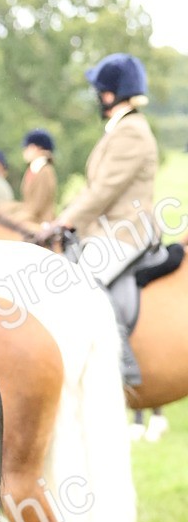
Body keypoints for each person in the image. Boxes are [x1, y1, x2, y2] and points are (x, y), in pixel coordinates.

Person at [39, 53, 159, 386]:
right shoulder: (119, 130)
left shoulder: (131, 133)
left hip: (124, 232)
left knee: (83, 284)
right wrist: (59, 218)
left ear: (109, 94)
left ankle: (124, 365)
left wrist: (64, 222)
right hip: (105, 229)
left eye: (99, 91)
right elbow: (92, 189)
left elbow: (104, 191)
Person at [20, 129, 57, 224]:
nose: (24, 152)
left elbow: (38, 205)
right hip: (30, 219)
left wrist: (19, 218)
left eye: (26, 148)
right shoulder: (33, 170)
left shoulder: (45, 171)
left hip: (41, 224)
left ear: (35, 148)